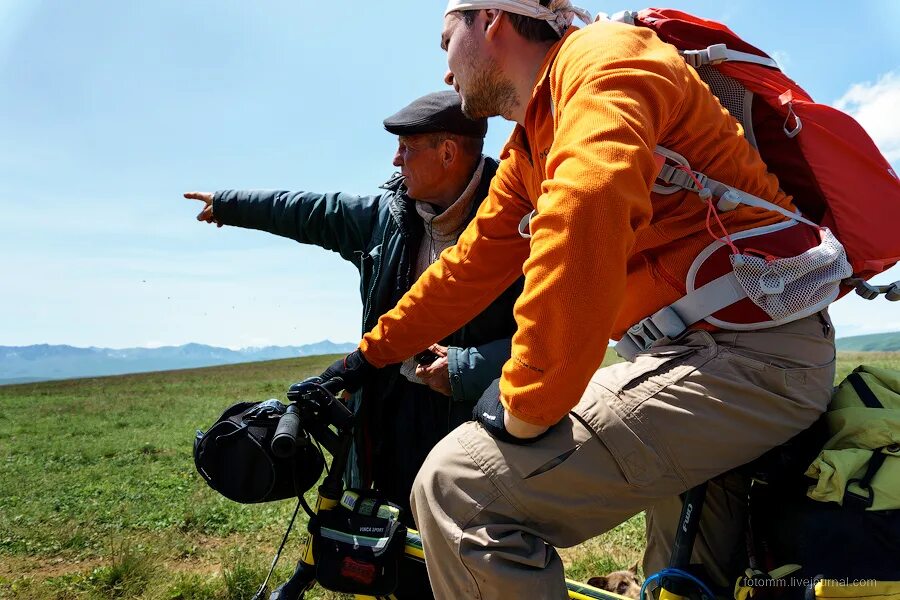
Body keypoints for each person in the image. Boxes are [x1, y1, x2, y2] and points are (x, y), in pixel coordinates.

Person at [318, 2, 848, 598]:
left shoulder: (605, 62)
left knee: (458, 488)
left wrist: (527, 403)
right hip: (704, 355)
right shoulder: (535, 136)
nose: (446, 72)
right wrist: (366, 358)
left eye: (446, 42)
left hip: (750, 361)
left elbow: (584, 209)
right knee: (686, 578)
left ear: (492, 19)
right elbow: (469, 267)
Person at [184, 90, 521, 521]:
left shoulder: (520, 221)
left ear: (448, 153)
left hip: (475, 416)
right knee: (390, 534)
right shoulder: (386, 215)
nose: (395, 161)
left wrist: (466, 367)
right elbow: (310, 212)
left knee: (462, 541)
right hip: (388, 405)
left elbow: (552, 332)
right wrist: (231, 205)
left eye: (406, 148)